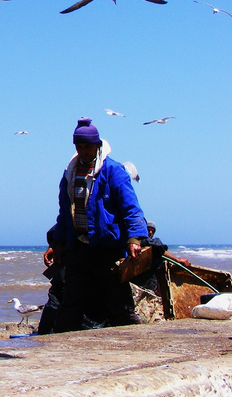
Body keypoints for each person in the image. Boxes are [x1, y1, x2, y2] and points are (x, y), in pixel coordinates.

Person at [51, 117, 148, 332]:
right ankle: (63, 348)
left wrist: (134, 239)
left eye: (88, 147)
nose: (84, 151)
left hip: (107, 249)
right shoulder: (70, 174)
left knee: (118, 305)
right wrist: (58, 241)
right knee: (71, 304)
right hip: (79, 247)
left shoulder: (113, 171)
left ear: (97, 145)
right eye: (80, 147)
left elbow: (131, 208)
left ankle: (137, 340)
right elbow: (64, 213)